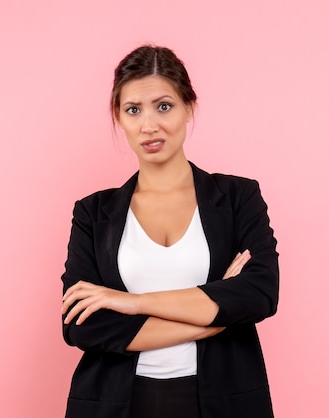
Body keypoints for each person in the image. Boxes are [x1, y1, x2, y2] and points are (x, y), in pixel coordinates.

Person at [61, 45, 279, 418]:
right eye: (133, 110)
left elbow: (259, 294)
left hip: (224, 402)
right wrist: (216, 318)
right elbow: (83, 325)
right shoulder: (93, 213)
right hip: (116, 405)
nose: (149, 125)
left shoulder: (238, 197)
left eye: (164, 106)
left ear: (189, 107)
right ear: (119, 117)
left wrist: (131, 302)